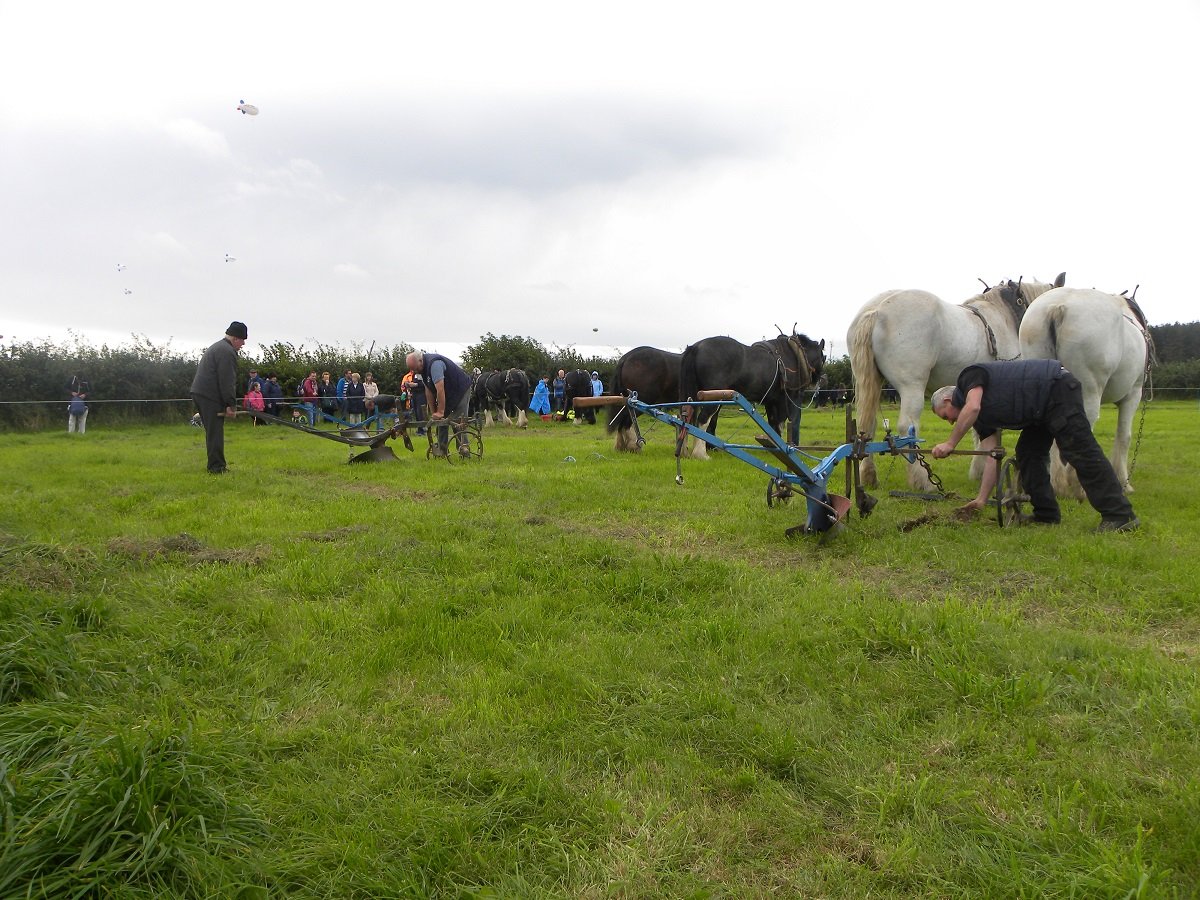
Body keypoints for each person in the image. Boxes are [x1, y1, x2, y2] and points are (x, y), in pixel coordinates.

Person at [929, 358, 1139, 532]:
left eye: (945, 416)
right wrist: (981, 499)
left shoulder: (969, 377)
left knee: (1080, 450)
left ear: (948, 400)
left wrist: (950, 443)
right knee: (1028, 454)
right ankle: (1046, 515)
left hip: (1056, 388)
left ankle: (1120, 516)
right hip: (1038, 411)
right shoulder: (983, 422)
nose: (950, 421)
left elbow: (972, 407)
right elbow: (993, 456)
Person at [191, 321, 247, 473]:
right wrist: (230, 405)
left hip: (203, 392)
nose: (243, 344)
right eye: (242, 340)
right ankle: (216, 468)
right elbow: (227, 380)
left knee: (213, 431)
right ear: (235, 338)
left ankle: (216, 465)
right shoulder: (226, 351)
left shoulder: (219, 347)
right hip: (208, 394)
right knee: (215, 431)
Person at [406, 350, 472, 457]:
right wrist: (435, 413)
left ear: (420, 361)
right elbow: (429, 391)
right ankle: (442, 451)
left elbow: (440, 389)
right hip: (449, 392)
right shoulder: (422, 370)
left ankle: (464, 450)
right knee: (441, 421)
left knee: (458, 420)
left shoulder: (435, 364)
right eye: (412, 369)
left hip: (461, 390)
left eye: (415, 368)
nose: (413, 371)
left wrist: (441, 411)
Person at [401, 369, 426, 435]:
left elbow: (423, 384)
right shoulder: (413, 375)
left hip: (421, 395)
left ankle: (422, 430)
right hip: (414, 395)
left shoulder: (420, 373)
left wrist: (415, 385)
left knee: (420, 412)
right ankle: (419, 430)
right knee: (416, 412)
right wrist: (408, 385)